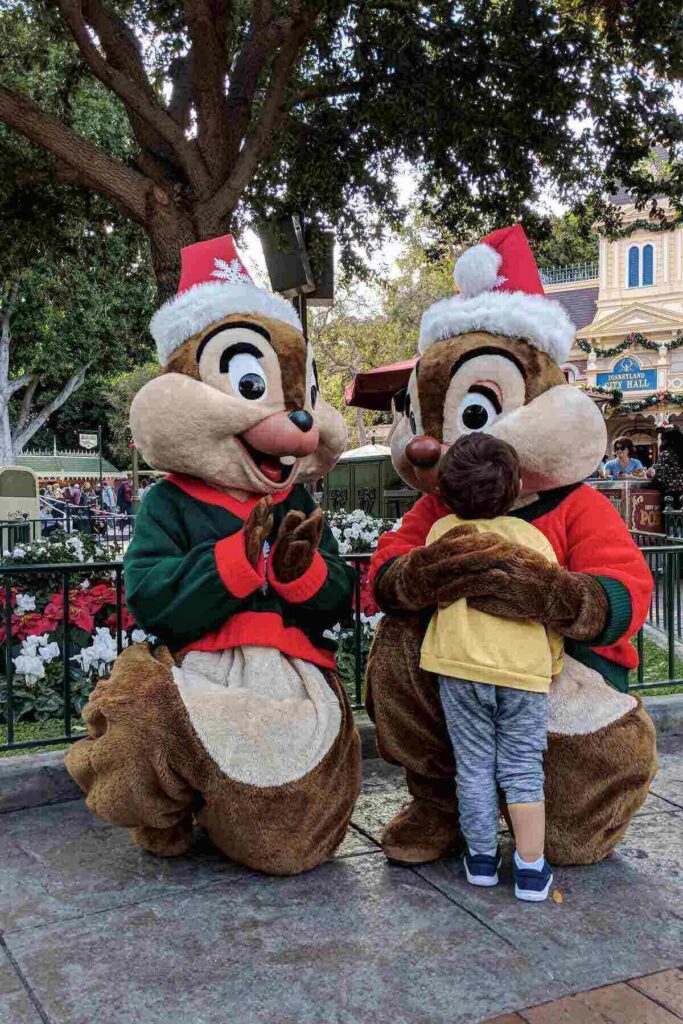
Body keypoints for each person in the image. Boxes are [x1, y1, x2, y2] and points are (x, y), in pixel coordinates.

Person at [420, 433, 562, 902]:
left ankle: (481, 860)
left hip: (459, 667)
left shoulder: (442, 534)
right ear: (515, 486)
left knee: (474, 765)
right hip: (523, 671)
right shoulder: (534, 539)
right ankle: (530, 868)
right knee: (522, 769)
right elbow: (551, 606)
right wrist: (553, 660)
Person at [649, 428, 683, 509]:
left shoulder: (665, 454)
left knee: (670, 520)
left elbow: (660, 478)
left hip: (671, 497)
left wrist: (651, 473)